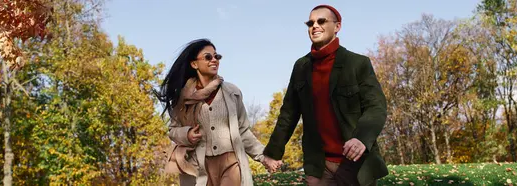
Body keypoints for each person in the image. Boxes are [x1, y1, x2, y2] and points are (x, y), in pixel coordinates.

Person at [262, 4, 389, 186]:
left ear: (337, 26)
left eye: (321, 21)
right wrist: (273, 152)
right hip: (319, 167)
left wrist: (361, 138)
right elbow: (288, 114)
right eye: (310, 23)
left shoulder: (358, 63)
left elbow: (376, 106)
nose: (315, 26)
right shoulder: (301, 67)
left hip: (354, 163)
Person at [156, 39, 282, 186]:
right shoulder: (183, 98)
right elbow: (173, 130)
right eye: (208, 57)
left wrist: (264, 156)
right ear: (194, 64)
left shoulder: (232, 92)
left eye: (217, 56)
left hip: (231, 162)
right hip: (200, 166)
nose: (214, 60)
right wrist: (187, 134)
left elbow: (243, 131)